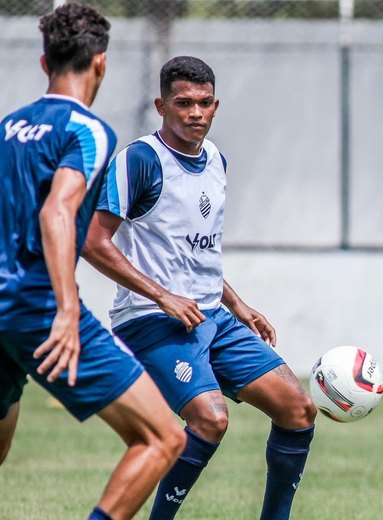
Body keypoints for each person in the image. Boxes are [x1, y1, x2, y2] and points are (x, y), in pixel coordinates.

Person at [82, 56, 317, 520]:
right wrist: (161, 296)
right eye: (184, 103)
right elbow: (90, 239)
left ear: (216, 105)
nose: (195, 113)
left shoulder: (215, 161)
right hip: (151, 322)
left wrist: (238, 304)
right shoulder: (140, 160)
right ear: (161, 105)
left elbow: (195, 253)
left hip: (213, 317)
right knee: (210, 418)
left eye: (205, 103)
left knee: (298, 409)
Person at [0, 4, 186, 520]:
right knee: (162, 438)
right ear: (100, 63)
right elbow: (57, 211)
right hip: (37, 309)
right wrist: (65, 311)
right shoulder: (88, 129)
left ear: (44, 63)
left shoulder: (8, 128)